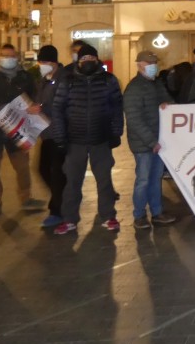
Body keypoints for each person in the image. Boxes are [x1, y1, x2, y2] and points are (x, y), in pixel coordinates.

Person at [52, 46, 124, 235]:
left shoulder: (109, 80)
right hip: (75, 140)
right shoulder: (68, 81)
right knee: (73, 182)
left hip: (101, 139)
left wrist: (116, 132)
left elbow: (117, 107)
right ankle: (69, 219)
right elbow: (58, 110)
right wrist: (60, 137)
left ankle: (109, 216)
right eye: (85, 57)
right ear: (78, 60)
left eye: (92, 56)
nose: (88, 60)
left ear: (97, 59)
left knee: (104, 181)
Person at [0, 43, 46, 219]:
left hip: (17, 130)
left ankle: (26, 198)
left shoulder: (25, 77)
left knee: (22, 167)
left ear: (17, 58)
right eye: (4, 56)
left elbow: (34, 99)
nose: (8, 59)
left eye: (11, 56)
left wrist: (34, 109)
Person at [123, 50, 177, 229]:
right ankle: (139, 215)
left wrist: (167, 104)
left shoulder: (156, 84)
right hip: (144, 144)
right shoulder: (134, 88)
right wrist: (151, 142)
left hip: (158, 141)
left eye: (154, 62)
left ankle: (157, 212)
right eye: (148, 63)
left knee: (155, 179)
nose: (153, 66)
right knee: (143, 180)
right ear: (139, 64)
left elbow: (169, 101)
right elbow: (134, 119)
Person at [31, 45, 66, 229]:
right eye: (40, 62)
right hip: (46, 133)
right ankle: (63, 199)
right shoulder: (43, 80)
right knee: (42, 169)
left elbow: (62, 105)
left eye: (44, 62)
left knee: (57, 174)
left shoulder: (63, 79)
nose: (41, 65)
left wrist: (42, 108)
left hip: (59, 133)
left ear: (53, 62)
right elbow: (40, 100)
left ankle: (57, 210)